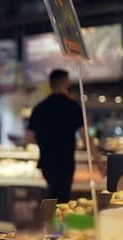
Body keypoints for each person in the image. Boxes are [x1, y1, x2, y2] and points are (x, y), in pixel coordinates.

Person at [26, 69, 106, 203]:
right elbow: (85, 138)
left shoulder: (40, 108)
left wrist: (45, 142)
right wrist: (99, 162)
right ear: (66, 83)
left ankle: (51, 221)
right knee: (62, 198)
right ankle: (56, 222)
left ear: (51, 84)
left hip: (47, 162)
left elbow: (29, 137)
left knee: (52, 194)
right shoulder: (72, 107)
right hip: (65, 162)